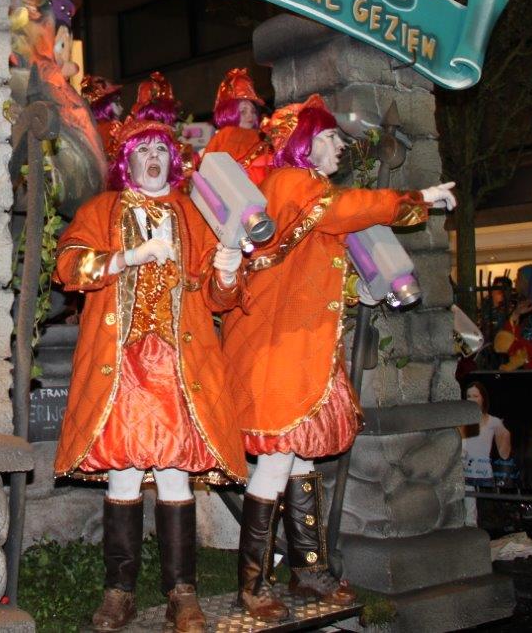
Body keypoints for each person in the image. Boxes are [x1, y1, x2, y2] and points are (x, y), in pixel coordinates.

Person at [221, 94, 456, 621]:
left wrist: (361, 289)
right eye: (328, 137)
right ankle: (252, 585)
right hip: (278, 350)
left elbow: (313, 271)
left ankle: (309, 571)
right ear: (302, 144)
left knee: (301, 460)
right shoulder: (291, 184)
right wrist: (416, 197)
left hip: (301, 348)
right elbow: (346, 210)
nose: (338, 145)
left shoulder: (306, 191)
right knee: (277, 461)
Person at [52, 116, 247, 632]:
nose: (153, 157)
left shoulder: (194, 214)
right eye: (142, 150)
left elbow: (219, 298)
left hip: (179, 367)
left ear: (173, 159)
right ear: (127, 162)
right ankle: (119, 592)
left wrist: (227, 271)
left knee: (175, 474)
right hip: (121, 366)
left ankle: (182, 593)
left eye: (161, 148)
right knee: (123, 474)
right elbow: (68, 266)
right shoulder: (101, 210)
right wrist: (129, 257)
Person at [200, 67, 271, 185]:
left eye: (253, 111)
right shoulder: (228, 134)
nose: (250, 115)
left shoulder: (262, 138)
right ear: (230, 113)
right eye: (243, 111)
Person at [460, 381, 512, 483]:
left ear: (483, 398)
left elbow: (504, 455)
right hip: (463, 477)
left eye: (475, 396)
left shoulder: (494, 422)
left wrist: (506, 435)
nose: (472, 400)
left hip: (484, 477)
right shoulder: (460, 421)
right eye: (469, 396)